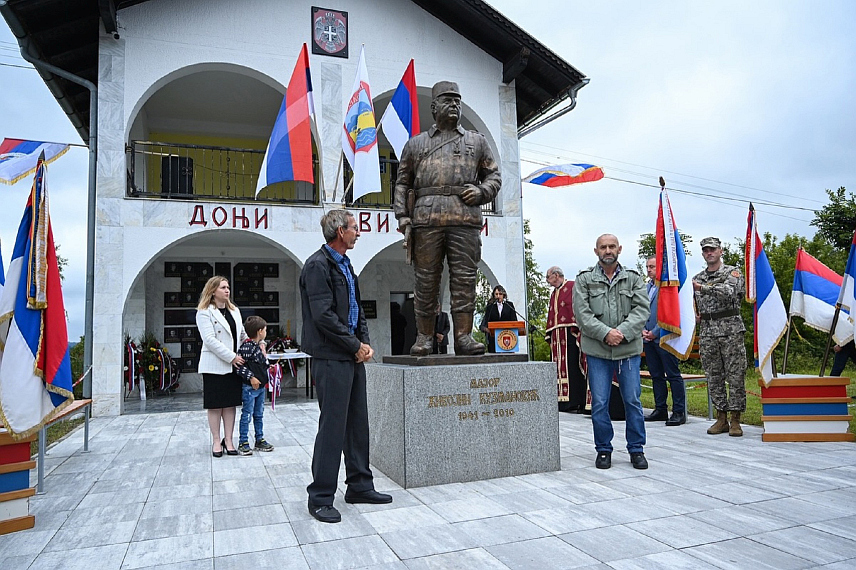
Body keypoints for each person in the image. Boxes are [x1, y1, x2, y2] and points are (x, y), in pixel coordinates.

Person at [393, 80, 501, 357]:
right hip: (426, 220)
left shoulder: (477, 141)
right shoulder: (416, 144)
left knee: (464, 279)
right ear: (434, 107)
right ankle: (425, 337)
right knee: (425, 281)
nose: (454, 105)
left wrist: (481, 191)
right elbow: (402, 183)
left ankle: (463, 336)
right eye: (448, 100)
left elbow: (494, 177)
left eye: (457, 101)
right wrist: (403, 217)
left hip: (464, 219)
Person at [300, 209, 392, 524]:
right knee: (333, 428)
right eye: (354, 227)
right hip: (331, 356)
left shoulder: (346, 265)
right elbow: (323, 316)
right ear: (340, 231)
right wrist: (354, 346)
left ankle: (360, 486)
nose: (358, 232)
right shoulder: (317, 266)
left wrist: (362, 344)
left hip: (351, 356)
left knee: (357, 423)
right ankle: (321, 497)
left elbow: (357, 311)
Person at [573, 234, 650, 470]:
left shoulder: (633, 279)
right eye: (603, 247)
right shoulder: (584, 279)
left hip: (628, 350)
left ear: (620, 249)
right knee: (600, 402)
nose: (608, 250)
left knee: (632, 400)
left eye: (612, 246)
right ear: (596, 251)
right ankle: (603, 450)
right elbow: (582, 314)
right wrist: (606, 333)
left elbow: (641, 310)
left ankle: (636, 449)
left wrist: (621, 333)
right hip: (598, 350)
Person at [693, 236, 747, 437]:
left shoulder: (732, 272)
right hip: (708, 331)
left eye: (713, 249)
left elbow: (730, 292)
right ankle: (721, 417)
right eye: (706, 250)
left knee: (735, 374)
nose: (709, 253)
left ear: (720, 251)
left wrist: (703, 289)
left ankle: (735, 419)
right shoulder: (698, 278)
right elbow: (694, 303)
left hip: (730, 330)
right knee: (713, 375)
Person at [196, 276, 246, 457]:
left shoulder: (235, 311)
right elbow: (209, 340)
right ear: (213, 291)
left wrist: (256, 344)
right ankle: (217, 441)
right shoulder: (204, 312)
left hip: (234, 366)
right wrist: (231, 357)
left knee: (230, 405)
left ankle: (229, 440)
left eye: (228, 287)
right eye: (223, 287)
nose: (227, 291)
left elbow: (242, 334)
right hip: (215, 365)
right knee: (216, 405)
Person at [642, 256, 687, 426]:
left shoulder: (667, 288)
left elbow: (670, 313)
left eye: (652, 266)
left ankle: (678, 411)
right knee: (656, 375)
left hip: (665, 337)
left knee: (672, 374)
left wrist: (654, 332)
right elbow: (641, 310)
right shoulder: (647, 287)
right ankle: (660, 409)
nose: (649, 269)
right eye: (647, 266)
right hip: (648, 338)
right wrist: (642, 330)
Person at [545, 266, 587, 413]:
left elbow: (575, 309)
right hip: (557, 336)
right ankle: (562, 400)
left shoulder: (572, 286)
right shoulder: (553, 293)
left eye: (548, 277)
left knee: (572, 365)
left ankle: (575, 401)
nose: (548, 281)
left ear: (556, 275)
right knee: (558, 367)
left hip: (570, 333)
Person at [234, 315, 274, 455]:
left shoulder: (258, 347)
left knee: (259, 414)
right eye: (265, 329)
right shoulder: (246, 347)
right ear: (259, 331)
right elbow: (239, 366)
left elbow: (261, 363)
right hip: (250, 388)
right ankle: (243, 441)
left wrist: (270, 368)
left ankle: (259, 439)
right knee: (247, 414)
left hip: (261, 388)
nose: (266, 332)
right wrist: (251, 377)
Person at [479, 285, 516, 353]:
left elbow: (514, 322)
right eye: (496, 294)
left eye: (500, 294)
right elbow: (485, 323)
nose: (498, 296)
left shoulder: (509, 305)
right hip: (493, 339)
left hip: (507, 338)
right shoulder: (490, 306)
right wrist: (486, 329)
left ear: (504, 295)